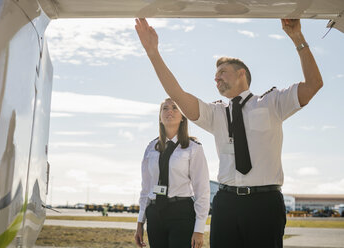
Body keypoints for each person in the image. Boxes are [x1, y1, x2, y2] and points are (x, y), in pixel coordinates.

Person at [135, 18, 323, 248]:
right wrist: (153, 53)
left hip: (264, 203)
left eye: (222, 72)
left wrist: (298, 38)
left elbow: (314, 84)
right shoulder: (215, 114)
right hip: (226, 204)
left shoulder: (273, 103)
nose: (217, 78)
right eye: (215, 76)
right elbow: (177, 93)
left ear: (241, 73)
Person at [134, 98, 210, 248]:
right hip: (155, 213)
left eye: (175, 108)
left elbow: (202, 189)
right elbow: (146, 188)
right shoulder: (151, 148)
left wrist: (199, 229)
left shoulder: (193, 147)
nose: (170, 111)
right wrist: (140, 222)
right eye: (165, 108)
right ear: (160, 118)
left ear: (183, 117)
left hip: (181, 212)